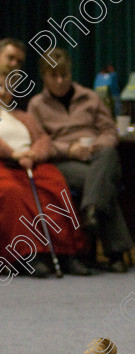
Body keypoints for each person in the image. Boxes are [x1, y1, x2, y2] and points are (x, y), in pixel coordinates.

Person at [28, 48, 133, 273]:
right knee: (102, 184)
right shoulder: (36, 105)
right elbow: (40, 142)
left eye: (64, 75)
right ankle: (115, 252)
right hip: (63, 162)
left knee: (108, 155)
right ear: (44, 77)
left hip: (96, 155)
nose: (60, 80)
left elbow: (110, 131)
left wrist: (98, 144)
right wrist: (69, 149)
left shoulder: (90, 97)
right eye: (53, 76)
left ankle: (92, 210)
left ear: (71, 73)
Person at [0, 72, 89, 277]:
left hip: (29, 161)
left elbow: (43, 139)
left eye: (6, 87)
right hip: (5, 163)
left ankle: (66, 253)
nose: (4, 92)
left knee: (54, 184)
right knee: (13, 191)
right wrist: (13, 153)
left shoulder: (22, 116)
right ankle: (27, 255)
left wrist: (34, 153)